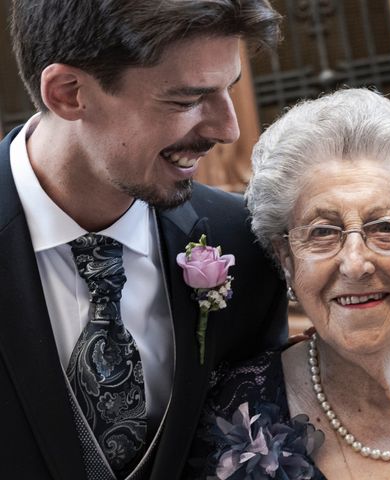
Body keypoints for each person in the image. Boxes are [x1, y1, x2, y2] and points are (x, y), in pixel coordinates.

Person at [1, 1, 289, 479]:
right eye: (185, 100)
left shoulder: (245, 242)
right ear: (68, 93)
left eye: (228, 90)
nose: (228, 129)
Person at [186, 88, 390, 480]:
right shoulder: (229, 417)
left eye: (386, 227)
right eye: (322, 232)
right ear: (287, 259)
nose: (355, 264)